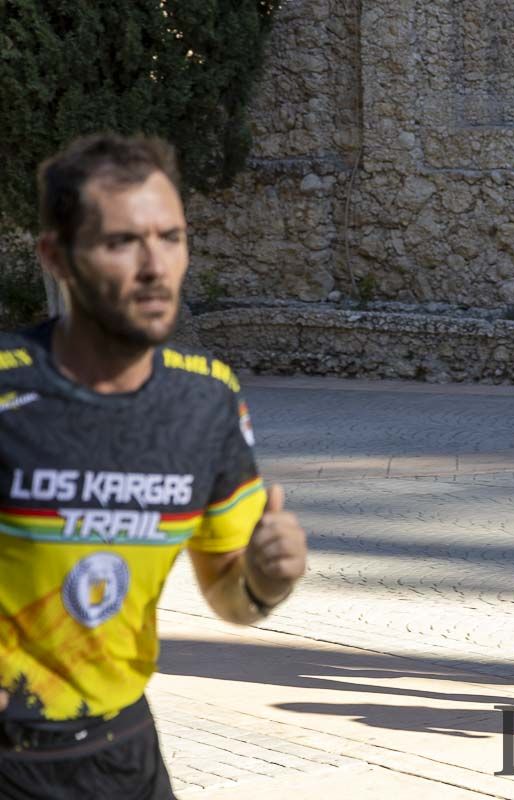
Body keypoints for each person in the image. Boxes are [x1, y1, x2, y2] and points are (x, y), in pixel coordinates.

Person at [0, 134, 308, 799]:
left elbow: (232, 599)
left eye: (170, 237)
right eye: (121, 242)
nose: (154, 266)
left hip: (123, 752)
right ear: (57, 257)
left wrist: (266, 577)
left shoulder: (205, 400)